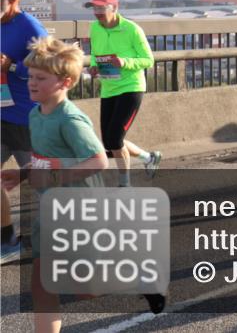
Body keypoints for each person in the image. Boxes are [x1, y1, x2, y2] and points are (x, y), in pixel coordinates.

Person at [0, 36, 165, 333]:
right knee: (41, 288)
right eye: (31, 77)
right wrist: (23, 173)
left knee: (87, 290)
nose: (32, 83)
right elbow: (44, 156)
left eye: (40, 78)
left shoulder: (70, 120)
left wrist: (56, 173)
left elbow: (99, 160)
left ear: (65, 82)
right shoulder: (35, 115)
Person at [85, 0, 161, 187]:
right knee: (110, 143)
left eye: (101, 8)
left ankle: (124, 184)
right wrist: (93, 66)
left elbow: (148, 60)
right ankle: (148, 157)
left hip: (131, 87)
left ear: (115, 8)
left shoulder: (132, 29)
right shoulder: (94, 28)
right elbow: (95, 53)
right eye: (94, 8)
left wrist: (125, 62)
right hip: (108, 87)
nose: (97, 13)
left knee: (115, 138)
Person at [0, 0, 47, 263]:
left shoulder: (29, 26)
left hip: (29, 120)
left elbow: (52, 66)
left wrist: (13, 66)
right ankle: (7, 241)